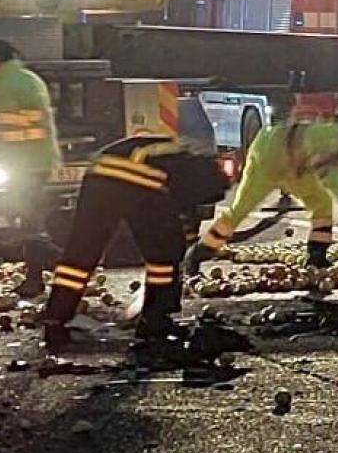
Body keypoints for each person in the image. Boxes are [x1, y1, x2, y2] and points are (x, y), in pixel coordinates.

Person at [43, 132, 228, 354]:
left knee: (82, 252)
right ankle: (156, 319)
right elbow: (181, 215)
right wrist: (187, 249)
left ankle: (56, 319)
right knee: (164, 255)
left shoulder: (183, 154)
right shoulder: (190, 172)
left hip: (100, 175)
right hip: (137, 177)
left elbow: (177, 214)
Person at [184, 116, 338, 273]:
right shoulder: (329, 138)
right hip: (268, 155)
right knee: (241, 209)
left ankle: (316, 256)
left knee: (321, 203)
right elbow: (324, 167)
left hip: (291, 163)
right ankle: (200, 252)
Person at [0, 40, 61, 297]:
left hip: (22, 162)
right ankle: (42, 272)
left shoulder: (3, 86)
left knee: (29, 221)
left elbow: (3, 126)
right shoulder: (29, 78)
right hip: (38, 159)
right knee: (29, 218)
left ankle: (56, 264)